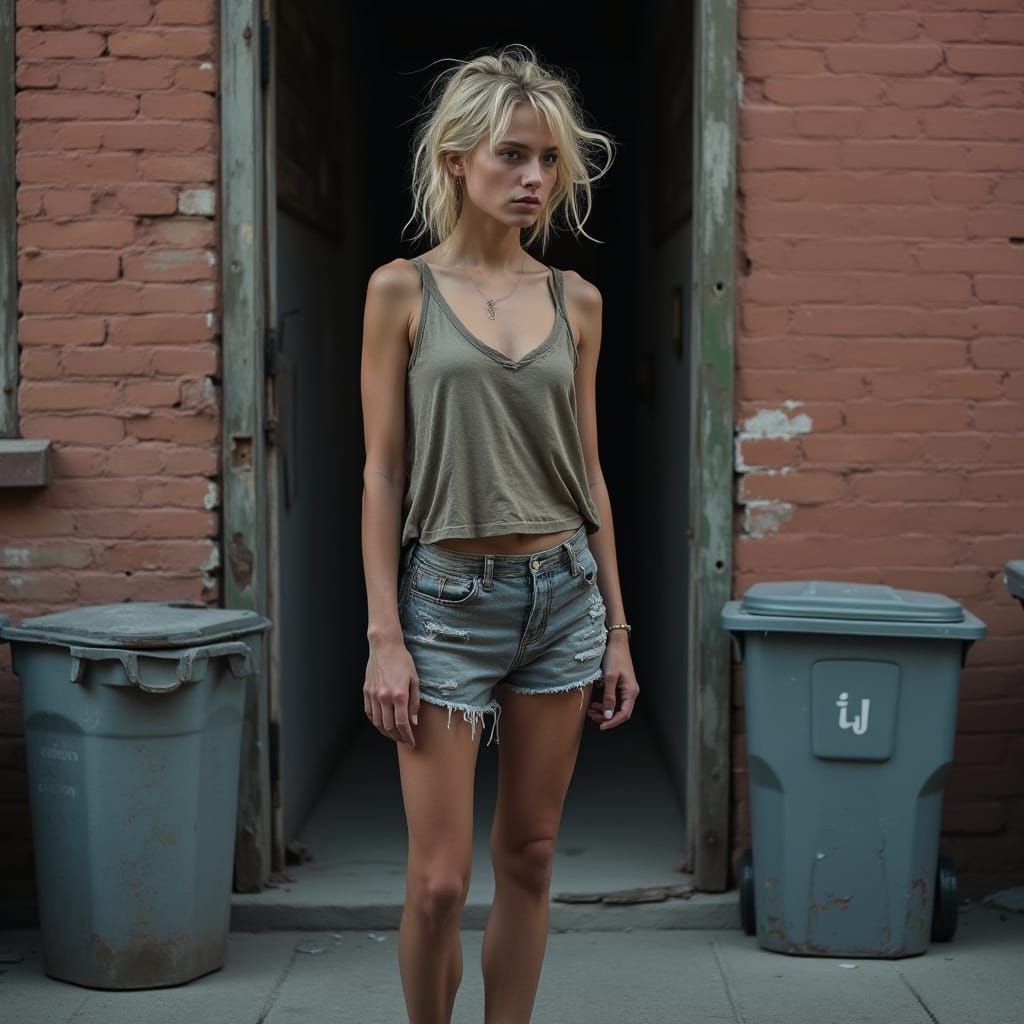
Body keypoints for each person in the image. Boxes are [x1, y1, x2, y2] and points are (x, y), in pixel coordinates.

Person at [360, 44, 640, 1024]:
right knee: (437, 883)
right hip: (443, 602)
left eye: (548, 161)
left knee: (529, 854)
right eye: (513, 156)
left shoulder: (576, 300)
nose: (534, 179)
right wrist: (384, 634)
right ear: (454, 160)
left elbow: (589, 471)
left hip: (561, 595)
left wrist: (615, 627)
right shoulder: (400, 290)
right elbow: (383, 471)